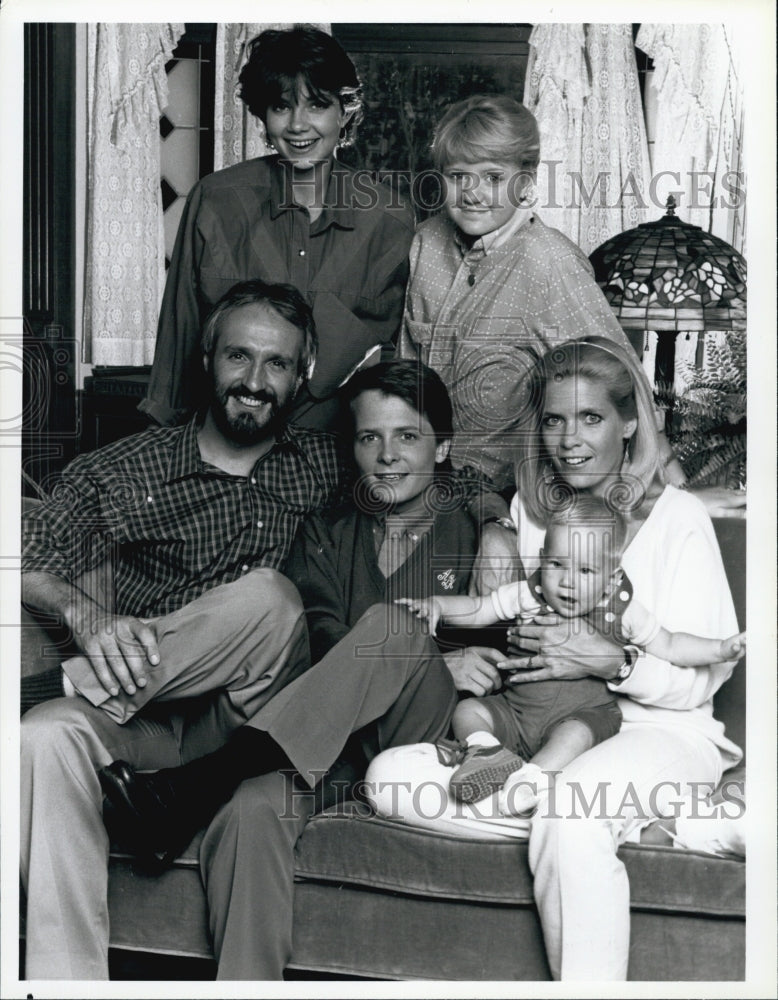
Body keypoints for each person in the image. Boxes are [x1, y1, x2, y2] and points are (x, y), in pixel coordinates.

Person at [98, 361, 505, 979]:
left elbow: (509, 638)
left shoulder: (477, 522)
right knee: (249, 810)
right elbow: (318, 641)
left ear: (443, 447)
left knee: (395, 627)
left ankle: (200, 781)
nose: (388, 456)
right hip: (327, 743)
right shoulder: (327, 529)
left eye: (409, 437)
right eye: (370, 438)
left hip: (426, 739)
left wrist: (496, 525)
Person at [365, 337, 743, 981]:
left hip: (661, 731)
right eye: (554, 420)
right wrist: (497, 533)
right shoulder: (532, 514)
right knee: (388, 776)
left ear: (629, 424)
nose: (569, 439)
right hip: (539, 733)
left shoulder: (679, 519)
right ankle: (655, 820)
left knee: (573, 812)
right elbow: (498, 609)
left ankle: (596, 821)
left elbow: (702, 680)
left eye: (591, 418)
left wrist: (610, 663)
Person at [19, 278, 344, 979]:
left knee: (271, 600)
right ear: (208, 356)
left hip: (247, 729)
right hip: (144, 724)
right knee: (40, 736)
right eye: (239, 357)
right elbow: (23, 546)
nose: (254, 382)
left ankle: (62, 684)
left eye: (277, 364)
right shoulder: (135, 466)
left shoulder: (327, 466)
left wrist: (499, 523)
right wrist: (84, 611)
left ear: (303, 374)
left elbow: (428, 474)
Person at [398, 92, 747, 526]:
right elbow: (405, 377)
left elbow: (623, 379)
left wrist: (674, 499)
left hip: (511, 498)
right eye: (457, 176)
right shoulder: (426, 242)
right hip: (424, 486)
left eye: (492, 177)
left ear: (525, 182)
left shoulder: (548, 260)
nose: (472, 193)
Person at [140, 24, 415, 432]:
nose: (298, 125)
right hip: (224, 442)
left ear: (345, 110)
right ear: (263, 116)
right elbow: (180, 335)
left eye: (317, 105)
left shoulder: (390, 218)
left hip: (335, 454)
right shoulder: (216, 200)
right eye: (282, 107)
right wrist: (162, 436)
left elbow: (397, 360)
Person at [399, 494, 745, 812]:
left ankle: (532, 780)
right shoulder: (528, 595)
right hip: (515, 710)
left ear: (611, 580)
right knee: (469, 710)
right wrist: (438, 605)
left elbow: (670, 645)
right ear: (542, 561)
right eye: (556, 565)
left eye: (584, 571)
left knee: (574, 736)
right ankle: (486, 751)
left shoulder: (621, 611)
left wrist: (720, 648)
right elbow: (479, 608)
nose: (567, 582)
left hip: (582, 715)